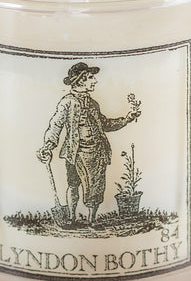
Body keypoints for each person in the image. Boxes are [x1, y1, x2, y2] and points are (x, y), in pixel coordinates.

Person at [37, 62, 141, 225]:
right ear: (80, 80)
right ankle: (71, 218)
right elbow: (56, 124)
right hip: (74, 153)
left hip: (96, 153)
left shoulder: (93, 104)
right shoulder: (67, 102)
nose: (95, 81)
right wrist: (48, 145)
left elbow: (104, 124)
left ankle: (92, 221)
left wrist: (126, 119)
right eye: (91, 78)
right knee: (73, 184)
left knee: (95, 187)